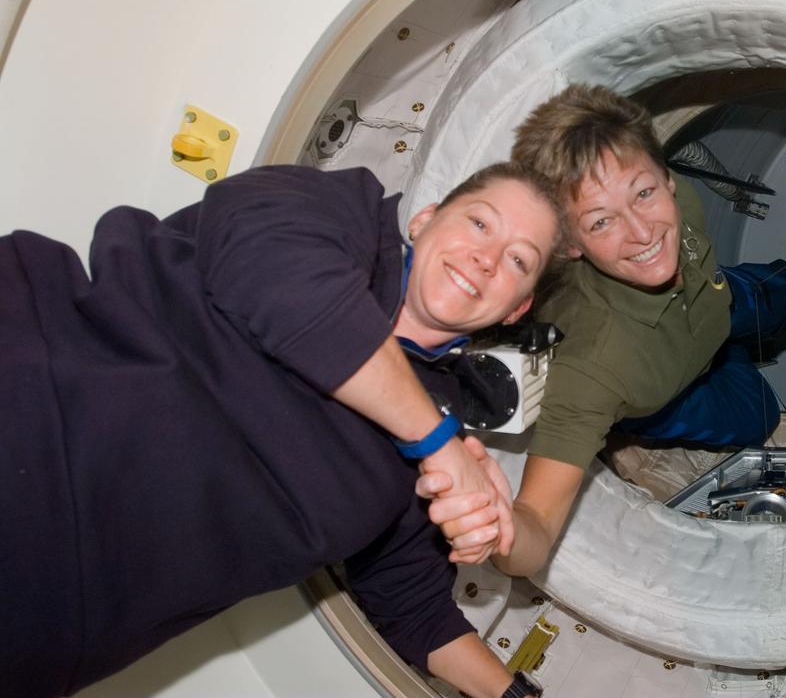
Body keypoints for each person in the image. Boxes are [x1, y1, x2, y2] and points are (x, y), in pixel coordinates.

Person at [1, 162, 562, 698]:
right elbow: (283, 278)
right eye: (480, 222)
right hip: (33, 402)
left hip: (59, 616)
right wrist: (435, 443)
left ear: (518, 309)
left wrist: (512, 692)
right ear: (424, 219)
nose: (487, 258)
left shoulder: (443, 443)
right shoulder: (340, 211)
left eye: (518, 261)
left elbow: (411, 602)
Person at [424, 84, 786, 574]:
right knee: (761, 414)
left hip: (717, 300)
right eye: (602, 222)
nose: (643, 233)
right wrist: (499, 527)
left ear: (667, 180)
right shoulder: (593, 373)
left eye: (644, 194)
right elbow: (534, 534)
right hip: (674, 392)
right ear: (570, 246)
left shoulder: (681, 205)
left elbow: (658, 229)